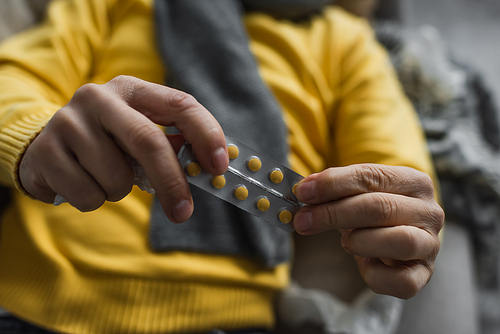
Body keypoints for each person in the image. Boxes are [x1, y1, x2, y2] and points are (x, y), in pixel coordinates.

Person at [0, 0, 444, 333]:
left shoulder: (345, 42)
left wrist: (401, 224)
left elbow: (395, 173)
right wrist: (35, 139)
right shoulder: (114, 4)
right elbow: (12, 80)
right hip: (29, 305)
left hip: (230, 320)